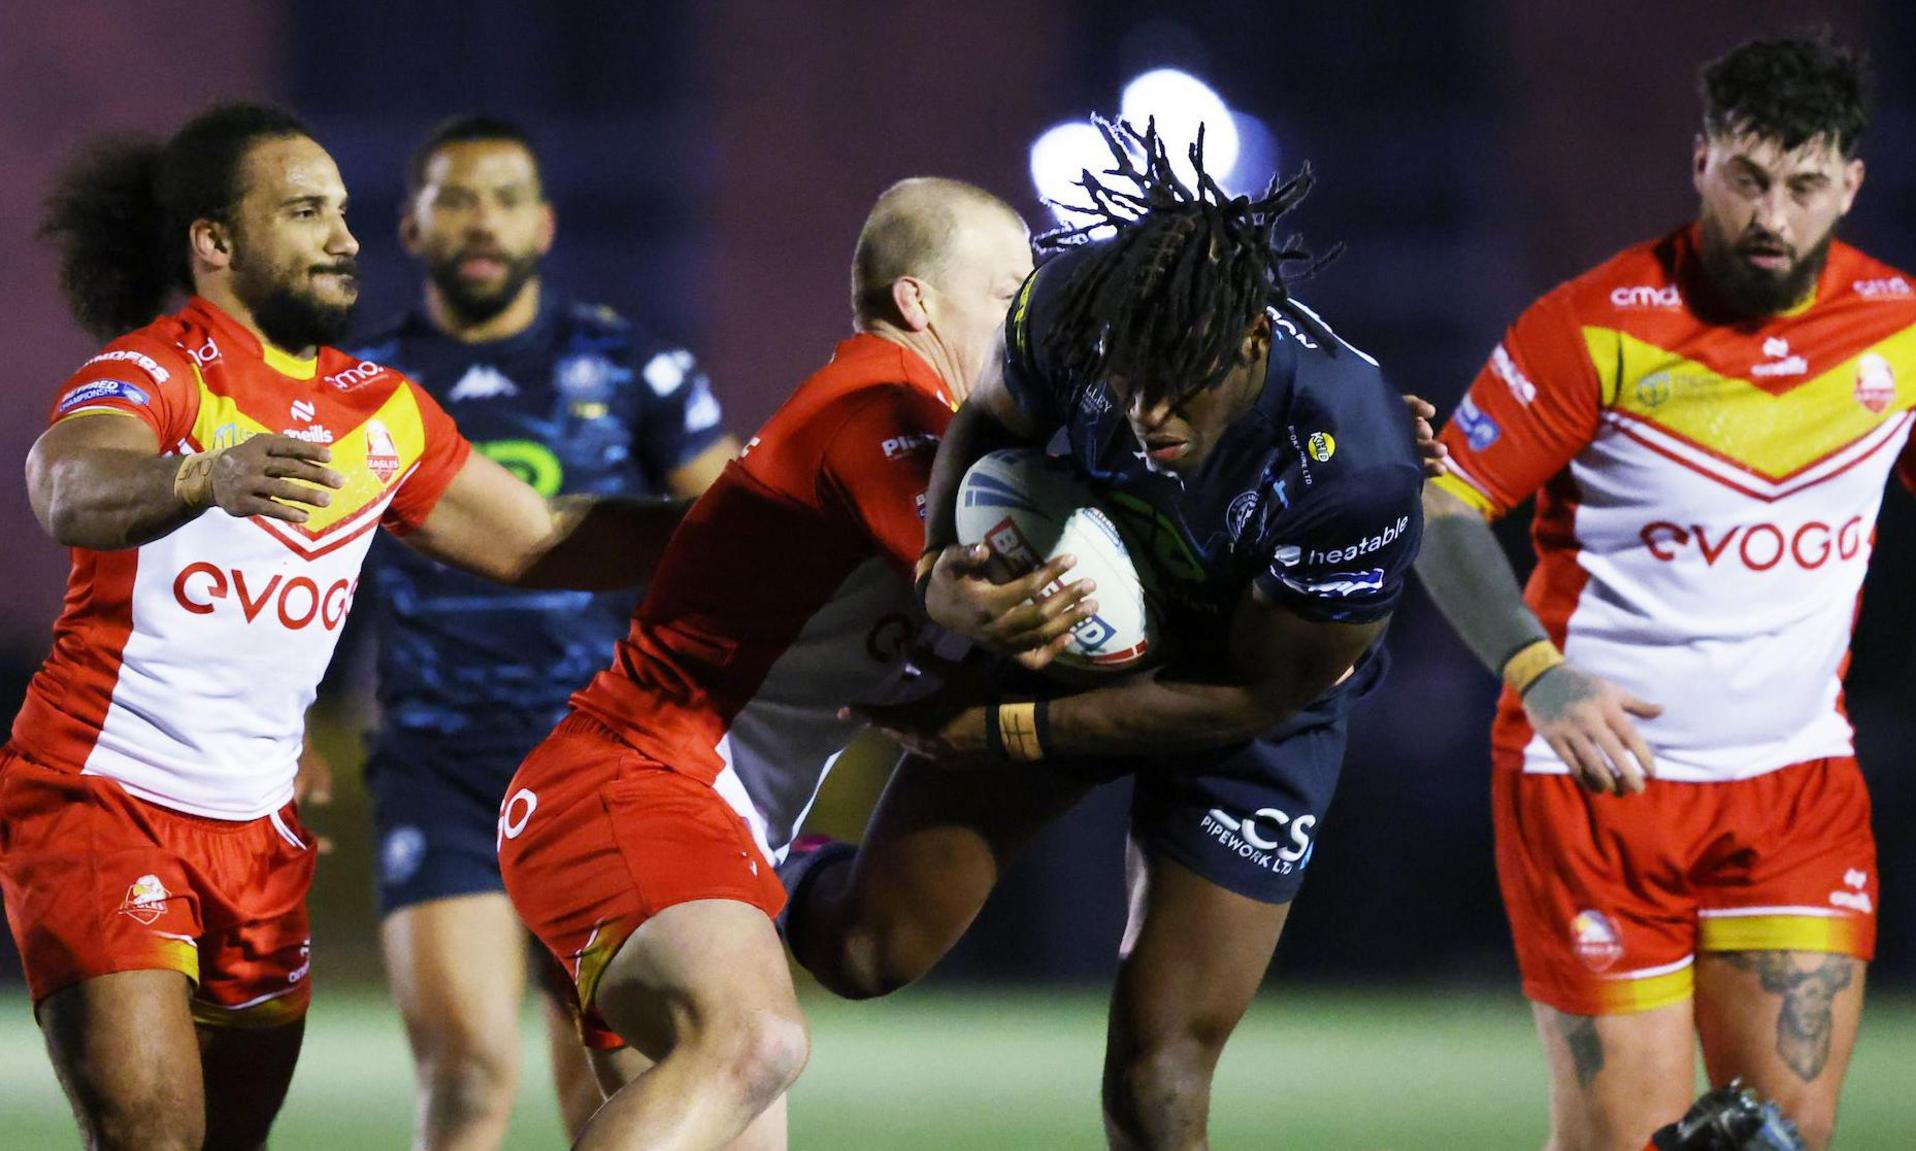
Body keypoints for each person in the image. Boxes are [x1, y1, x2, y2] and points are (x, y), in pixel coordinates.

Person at [3, 102, 686, 1151]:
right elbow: (63, 481)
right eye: (306, 212)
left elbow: (540, 538)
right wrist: (201, 475)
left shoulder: (382, 409)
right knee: (154, 1136)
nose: (345, 238)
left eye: (344, 212)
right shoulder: (160, 368)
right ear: (215, 242)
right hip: (101, 801)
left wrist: (748, 519)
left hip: (260, 836)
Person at [1415, 32, 1916, 1151]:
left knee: (1779, 1138)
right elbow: (1441, 508)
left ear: (1850, 184)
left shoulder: (1904, 330)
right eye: (1747, 179)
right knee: (1626, 1139)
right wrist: (1537, 673)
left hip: (1794, 789)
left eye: (1803, 185)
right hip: (1599, 789)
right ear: (1701, 162)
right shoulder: (1593, 326)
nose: (1771, 215)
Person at [781, 119, 1434, 1151]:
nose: (1146, 411)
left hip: (1245, 709)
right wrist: (936, 566)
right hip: (1072, 637)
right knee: (862, 954)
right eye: (1128, 379)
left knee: (1155, 1072)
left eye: (1178, 384)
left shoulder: (1356, 463)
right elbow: (985, 419)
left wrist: (1003, 730)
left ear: (1252, 344)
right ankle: (766, 866)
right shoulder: (1073, 305)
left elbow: (1254, 694)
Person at [497, 176, 1040, 1151]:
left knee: (745, 1084)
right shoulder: (882, 398)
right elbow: (981, 585)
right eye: (1008, 291)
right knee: (757, 1039)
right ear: (917, 299)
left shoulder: (923, 428)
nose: (1024, 320)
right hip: (636, 787)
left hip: (685, 817)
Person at [332, 113, 736, 1151]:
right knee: (467, 1071)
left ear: (544, 226)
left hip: (597, 763)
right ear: (410, 226)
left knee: (607, 1075)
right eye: (457, 199)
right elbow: (294, 562)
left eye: (506, 200)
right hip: (436, 761)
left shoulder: (632, 365)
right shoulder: (358, 383)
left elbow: (735, 535)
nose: (483, 222)